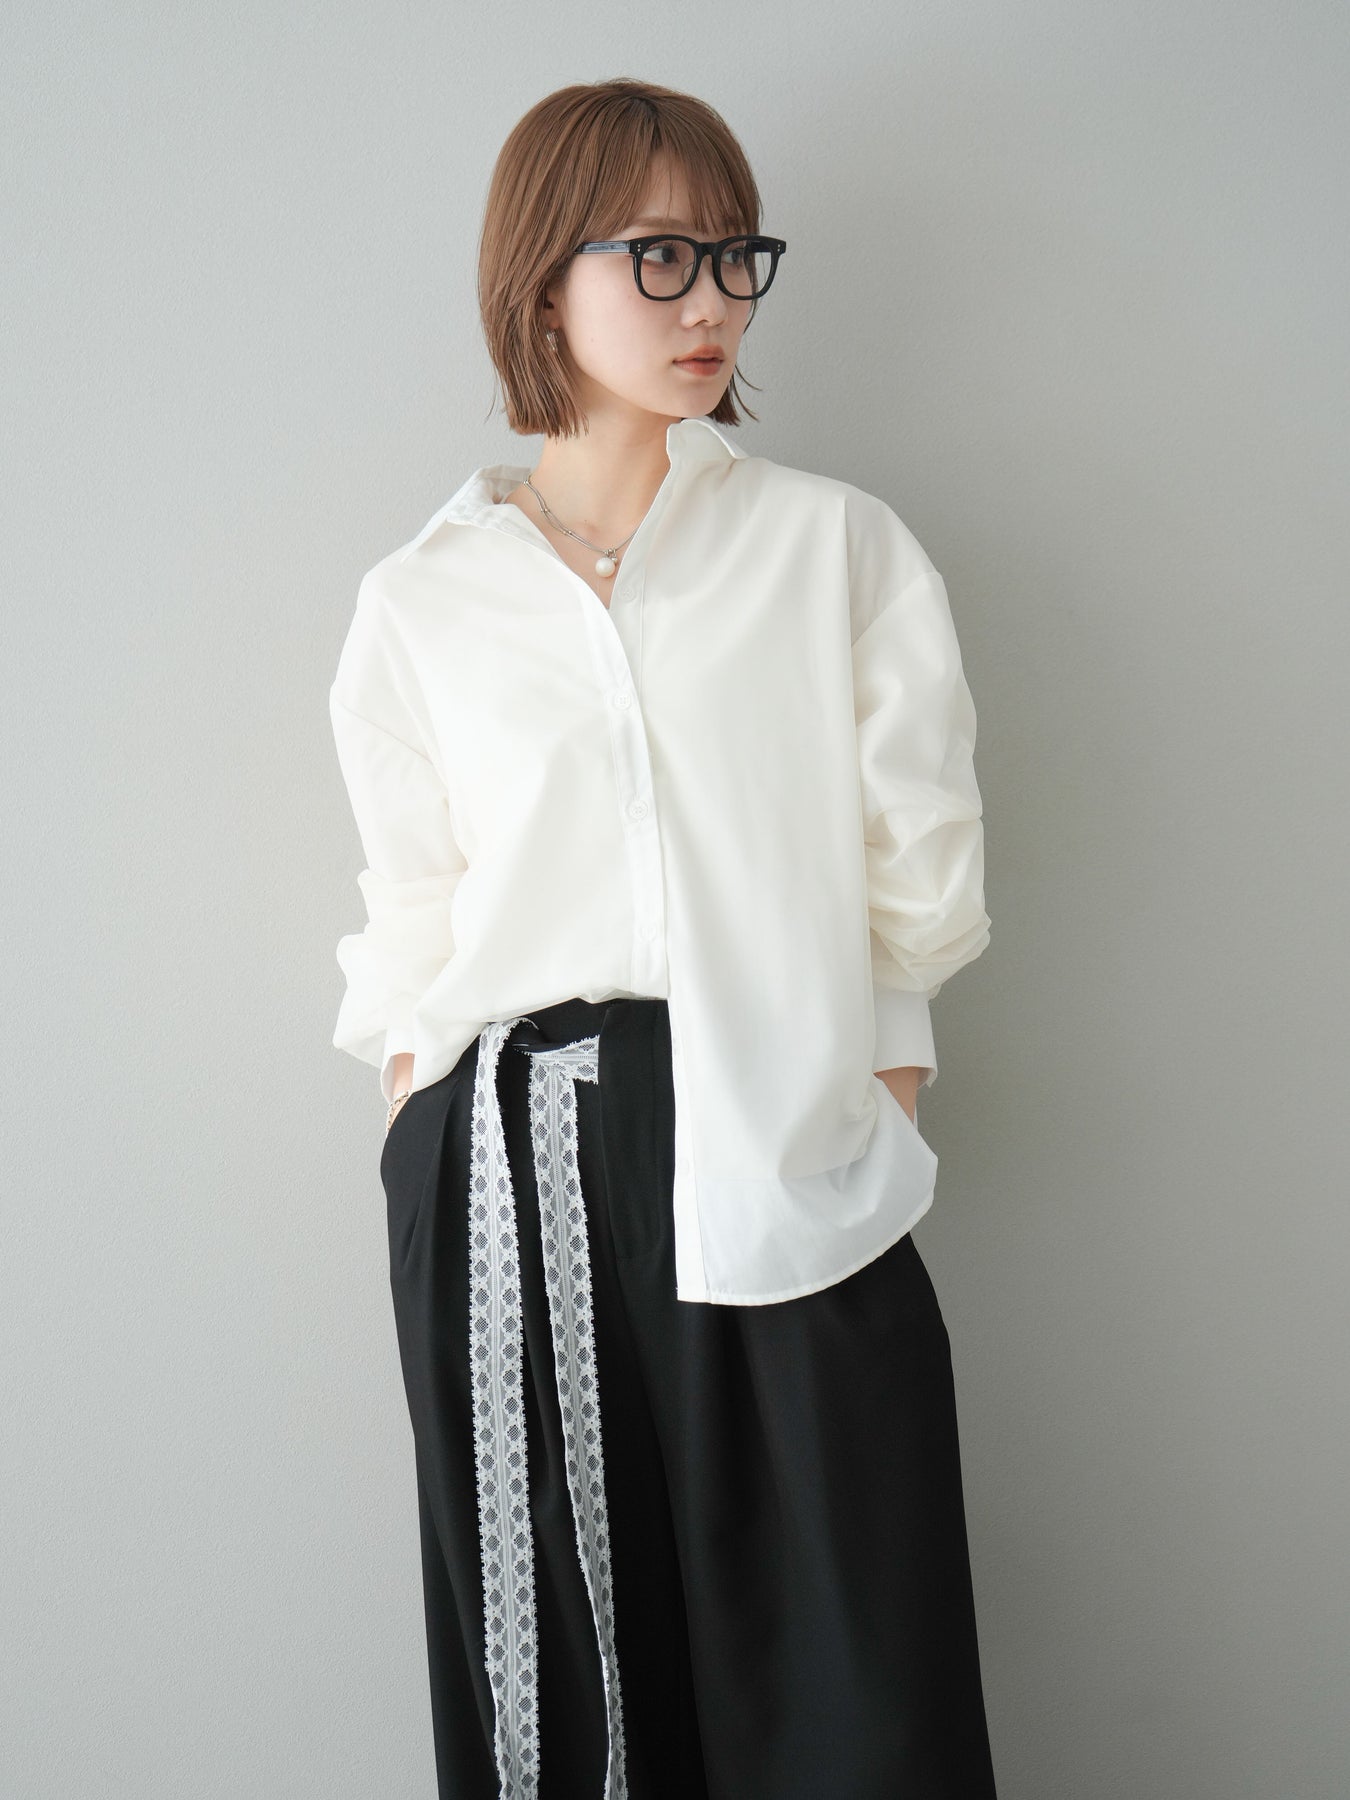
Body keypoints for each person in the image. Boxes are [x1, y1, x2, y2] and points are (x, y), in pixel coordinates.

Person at [329, 76, 998, 1800]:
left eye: (733, 257)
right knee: (566, 1696)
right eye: (658, 256)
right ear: (541, 276)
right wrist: (413, 1112)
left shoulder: (831, 546)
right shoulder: (423, 600)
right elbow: (414, 898)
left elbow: (911, 864)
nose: (711, 301)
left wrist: (877, 1102)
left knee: (860, 1685)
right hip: (506, 1167)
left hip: (780, 1125)